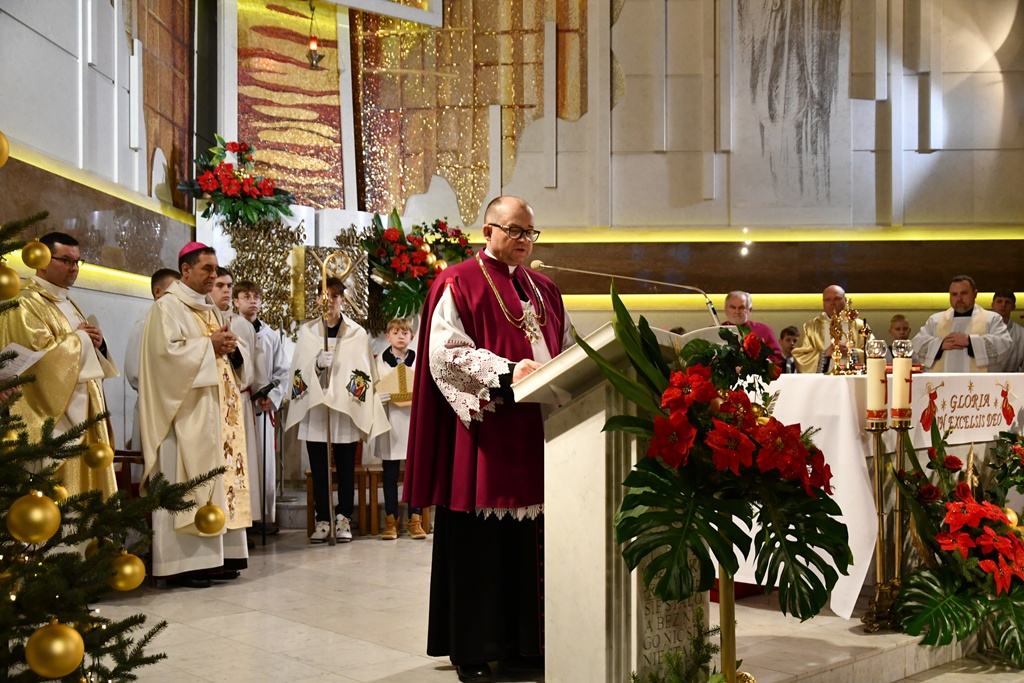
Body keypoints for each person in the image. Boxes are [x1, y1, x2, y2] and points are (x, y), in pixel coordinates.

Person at [405, 196, 574, 683]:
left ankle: (526, 645)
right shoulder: (458, 281)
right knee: (480, 544)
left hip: (541, 432)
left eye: (530, 233)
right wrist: (507, 371)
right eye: (515, 230)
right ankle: (474, 650)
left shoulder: (545, 289)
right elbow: (444, 354)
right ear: (488, 231)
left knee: (530, 543)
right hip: (487, 429)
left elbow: (566, 347)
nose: (524, 241)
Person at [138, 243, 252, 588]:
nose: (214, 275)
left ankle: (222, 556)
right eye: (207, 269)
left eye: (216, 269)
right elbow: (163, 359)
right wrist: (209, 347)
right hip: (185, 416)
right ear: (185, 270)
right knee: (189, 486)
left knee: (220, 483)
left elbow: (228, 351)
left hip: (219, 415)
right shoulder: (167, 308)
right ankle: (185, 564)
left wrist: (232, 350)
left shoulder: (211, 309)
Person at [0, 231, 118, 497]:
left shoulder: (66, 301)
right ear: (42, 261)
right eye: (66, 260)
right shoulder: (26, 302)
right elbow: (34, 361)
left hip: (84, 408)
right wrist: (81, 340)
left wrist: (98, 344)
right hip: (56, 418)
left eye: (77, 261)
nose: (74, 268)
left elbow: (80, 349)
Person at [286, 276, 389, 543]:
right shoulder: (308, 332)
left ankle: (343, 518)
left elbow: (364, 372)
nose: (329, 301)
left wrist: (346, 391)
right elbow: (298, 371)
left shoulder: (356, 333)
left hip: (345, 410)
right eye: (324, 295)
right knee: (319, 468)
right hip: (317, 410)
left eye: (334, 296)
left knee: (345, 468)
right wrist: (316, 365)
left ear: (343, 299)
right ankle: (323, 519)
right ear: (317, 299)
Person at [233, 279, 290, 534]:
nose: (252, 301)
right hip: (239, 405)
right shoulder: (230, 328)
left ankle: (263, 517)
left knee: (264, 463)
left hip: (262, 407)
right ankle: (241, 518)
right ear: (236, 301)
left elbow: (282, 371)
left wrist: (273, 396)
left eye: (256, 297)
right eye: (246, 296)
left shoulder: (270, 336)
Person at [212, 267, 265, 540]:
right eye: (219, 285)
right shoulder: (200, 319)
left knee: (241, 465)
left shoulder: (241, 324)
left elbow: (253, 364)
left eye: (228, 285)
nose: (225, 290)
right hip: (211, 402)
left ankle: (242, 524)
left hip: (237, 402)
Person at [373, 317, 426, 540]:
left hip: (413, 422)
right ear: (388, 337)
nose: (400, 337)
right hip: (390, 423)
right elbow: (373, 387)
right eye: (395, 333)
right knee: (390, 474)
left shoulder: (419, 359)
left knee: (414, 474)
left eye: (404, 333)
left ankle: (415, 520)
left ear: (411, 337)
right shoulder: (379, 362)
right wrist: (377, 397)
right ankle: (391, 521)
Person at [125, 268, 180, 450]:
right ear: (158, 292)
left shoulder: (176, 323)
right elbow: (134, 371)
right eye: (174, 291)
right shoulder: (144, 324)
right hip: (152, 405)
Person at [912, 275, 1011, 372]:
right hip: (943, 381)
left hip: (977, 382)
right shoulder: (935, 320)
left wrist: (970, 342)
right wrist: (940, 344)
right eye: (954, 294)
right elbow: (917, 344)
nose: (959, 298)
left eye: (964, 293)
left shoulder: (991, 319)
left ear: (975, 294)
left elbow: (1004, 343)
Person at [792, 284, 867, 373]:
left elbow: (873, 353)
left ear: (845, 300)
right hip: (823, 379)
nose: (832, 303)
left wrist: (851, 352)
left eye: (836, 299)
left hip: (853, 377)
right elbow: (799, 356)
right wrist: (824, 354)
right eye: (827, 300)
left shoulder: (859, 325)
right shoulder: (811, 327)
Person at [722, 291, 783, 361]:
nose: (737, 312)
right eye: (733, 307)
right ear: (725, 309)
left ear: (750, 310)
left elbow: (777, 358)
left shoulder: (764, 330)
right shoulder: (716, 330)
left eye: (741, 307)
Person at [989, 291, 1024, 373]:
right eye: (999, 301)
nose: (1003, 305)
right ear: (992, 305)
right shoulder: (981, 329)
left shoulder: (1022, 333)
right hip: (984, 377)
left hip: (1013, 379)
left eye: (1007, 302)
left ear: (1013, 307)